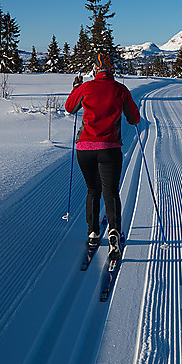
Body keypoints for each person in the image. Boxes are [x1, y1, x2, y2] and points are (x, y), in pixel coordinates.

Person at [65, 53, 140, 260]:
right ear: (111, 68)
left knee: (92, 189)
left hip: (85, 149)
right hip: (109, 148)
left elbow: (70, 108)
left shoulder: (86, 88)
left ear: (95, 69)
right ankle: (114, 231)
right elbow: (134, 118)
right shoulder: (120, 90)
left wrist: (75, 88)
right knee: (111, 191)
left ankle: (93, 232)